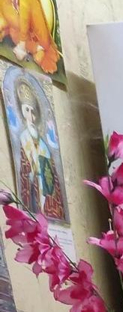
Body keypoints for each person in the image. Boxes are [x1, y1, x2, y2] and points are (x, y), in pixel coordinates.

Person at [13, 76, 63, 220]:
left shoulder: (42, 142)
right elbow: (24, 165)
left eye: (32, 111)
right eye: (26, 110)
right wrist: (31, 172)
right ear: (22, 111)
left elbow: (50, 169)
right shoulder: (23, 137)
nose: (30, 115)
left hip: (44, 186)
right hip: (33, 185)